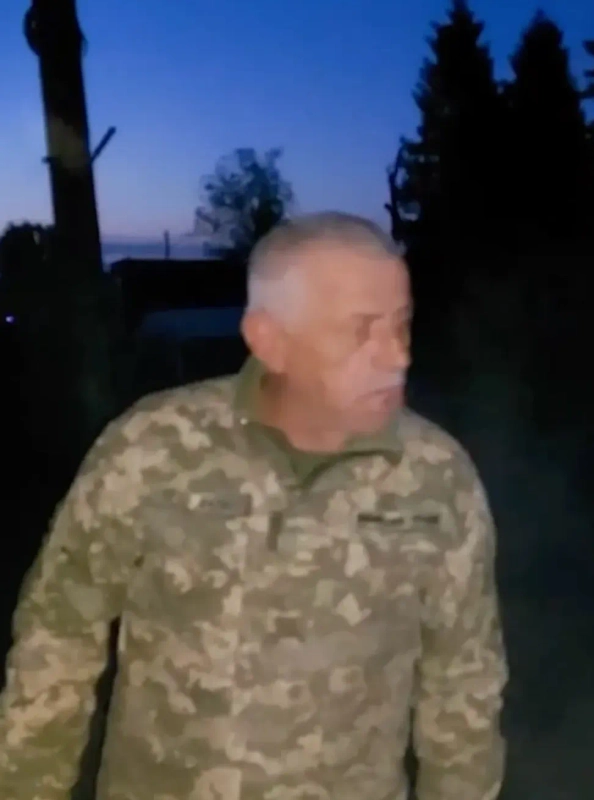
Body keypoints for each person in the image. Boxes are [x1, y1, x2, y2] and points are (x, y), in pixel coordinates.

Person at [0, 212, 507, 800]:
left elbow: (463, 685)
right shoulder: (154, 448)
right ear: (269, 341)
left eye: (402, 324)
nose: (396, 356)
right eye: (360, 330)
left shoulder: (436, 478)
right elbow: (58, 636)